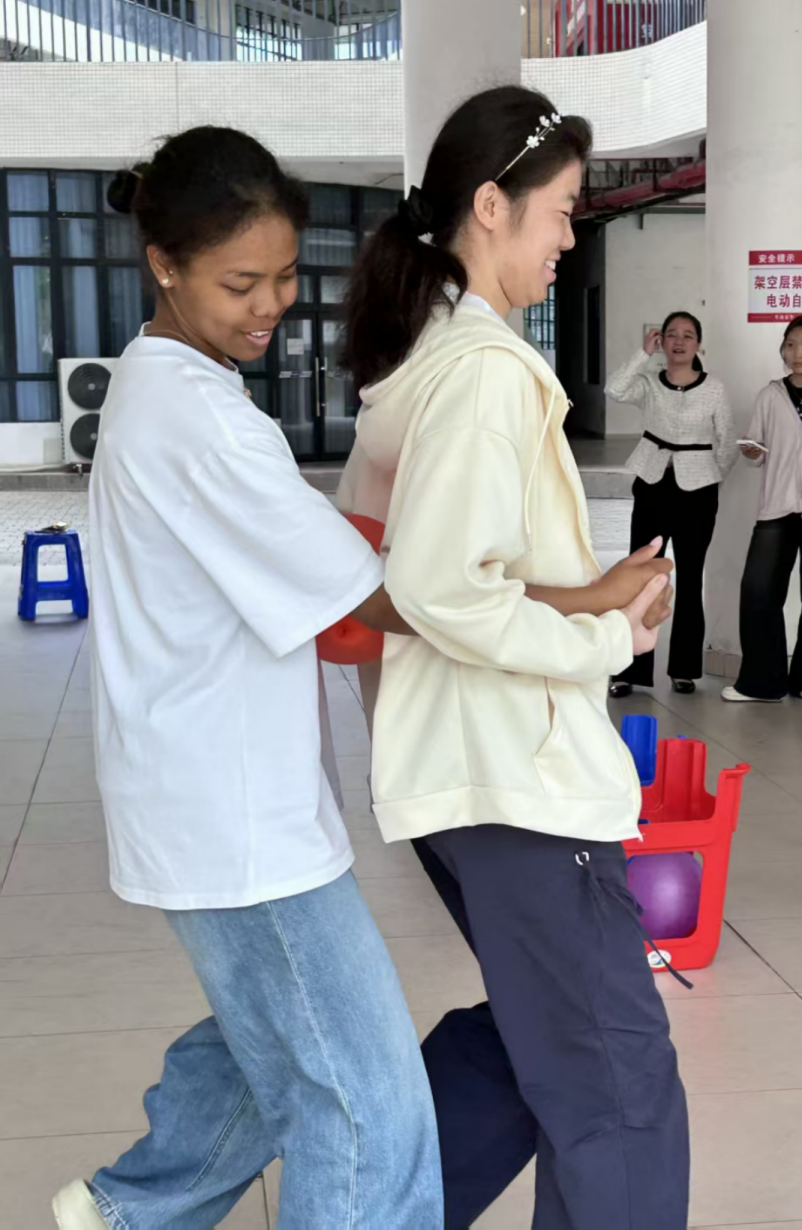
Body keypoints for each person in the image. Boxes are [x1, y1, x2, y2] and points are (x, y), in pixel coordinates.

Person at [52, 128, 444, 1230]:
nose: (271, 304)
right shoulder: (202, 418)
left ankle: (127, 1212)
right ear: (163, 265)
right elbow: (372, 601)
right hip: (236, 816)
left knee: (264, 1038)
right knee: (367, 1108)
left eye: (283, 275)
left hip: (209, 789)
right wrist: (566, 602)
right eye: (240, 283)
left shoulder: (167, 385)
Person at [338, 85, 689, 1230]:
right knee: (617, 1090)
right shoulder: (484, 369)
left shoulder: (422, 360)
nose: (570, 236)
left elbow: (433, 574)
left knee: (540, 1044)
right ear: (490, 205)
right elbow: (442, 587)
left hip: (464, 773)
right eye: (563, 209)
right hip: (517, 781)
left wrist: (589, 597)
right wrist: (604, 634)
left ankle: (363, 1209)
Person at [605, 312, 737, 696]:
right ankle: (628, 669)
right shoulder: (649, 382)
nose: (679, 342)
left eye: (688, 335)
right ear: (661, 341)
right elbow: (614, 389)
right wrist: (641, 354)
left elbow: (727, 441)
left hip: (698, 491)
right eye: (672, 335)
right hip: (653, 482)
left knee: (691, 578)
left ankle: (684, 669)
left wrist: (710, 475)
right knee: (641, 575)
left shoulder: (714, 388)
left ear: (699, 345)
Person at [723, 314, 802, 703]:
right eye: (791, 345)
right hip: (777, 506)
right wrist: (752, 451)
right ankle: (762, 682)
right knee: (758, 591)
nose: (798, 353)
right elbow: (757, 449)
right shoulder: (770, 395)